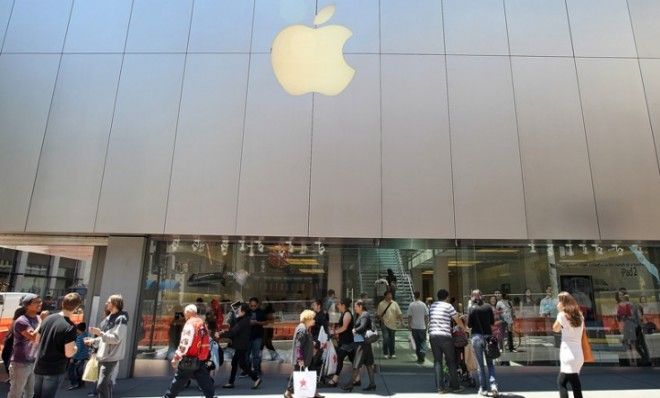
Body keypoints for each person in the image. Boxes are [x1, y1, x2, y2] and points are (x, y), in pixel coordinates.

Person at [33, 292, 81, 398]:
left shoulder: (48, 318)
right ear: (77, 307)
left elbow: (37, 340)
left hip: (39, 364)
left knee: (36, 395)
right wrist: (76, 348)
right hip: (54, 369)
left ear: (62, 303)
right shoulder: (70, 326)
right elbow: (69, 353)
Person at [163, 304, 214, 398]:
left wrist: (176, 357)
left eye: (185, 313)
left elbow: (185, 343)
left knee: (179, 380)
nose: (184, 315)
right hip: (201, 358)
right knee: (205, 381)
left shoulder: (190, 324)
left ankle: (167, 397)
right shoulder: (201, 323)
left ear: (188, 313)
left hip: (189, 359)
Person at [87, 294, 129, 398]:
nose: (107, 303)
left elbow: (116, 338)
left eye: (109, 302)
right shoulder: (108, 318)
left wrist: (100, 333)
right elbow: (105, 338)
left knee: (102, 384)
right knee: (106, 383)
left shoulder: (121, 319)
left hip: (111, 356)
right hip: (103, 355)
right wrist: (93, 340)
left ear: (115, 304)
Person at [429, 289, 465, 393]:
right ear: (447, 297)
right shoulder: (448, 306)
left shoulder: (432, 306)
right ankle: (455, 386)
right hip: (444, 336)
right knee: (451, 361)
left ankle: (440, 388)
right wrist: (464, 329)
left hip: (433, 335)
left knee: (437, 361)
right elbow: (457, 319)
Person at [219, 303, 262, 389]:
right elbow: (234, 330)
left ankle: (256, 378)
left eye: (239, 310)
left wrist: (220, 335)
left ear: (243, 311)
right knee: (235, 363)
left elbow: (233, 331)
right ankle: (231, 382)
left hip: (241, 345)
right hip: (241, 345)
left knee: (242, 364)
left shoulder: (244, 321)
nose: (237, 311)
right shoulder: (243, 319)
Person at [284, 309, 324, 398]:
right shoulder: (302, 329)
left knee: (304, 373)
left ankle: (313, 392)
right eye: (313, 318)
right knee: (297, 374)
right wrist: (300, 358)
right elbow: (299, 345)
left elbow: (304, 342)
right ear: (308, 319)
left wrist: (312, 343)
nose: (314, 320)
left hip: (306, 357)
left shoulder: (305, 328)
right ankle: (288, 392)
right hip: (302, 358)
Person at [7, 294, 41, 398]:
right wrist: (42, 322)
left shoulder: (38, 318)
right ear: (27, 305)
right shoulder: (22, 321)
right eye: (36, 302)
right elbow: (33, 337)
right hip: (20, 363)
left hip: (32, 362)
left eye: (40, 301)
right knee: (16, 393)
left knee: (30, 394)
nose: (40, 304)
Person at [553, 292, 585, 398]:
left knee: (562, 383)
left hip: (568, 354)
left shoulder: (562, 315)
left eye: (559, 301)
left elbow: (555, 328)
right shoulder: (580, 315)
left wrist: (560, 312)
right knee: (571, 382)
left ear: (563, 303)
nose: (557, 303)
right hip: (578, 354)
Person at [468, 289, 498, 397]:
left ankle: (483, 389)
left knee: (480, 365)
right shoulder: (488, 307)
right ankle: (494, 386)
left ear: (473, 297)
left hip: (476, 337)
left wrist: (471, 306)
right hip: (488, 336)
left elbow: (469, 325)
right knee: (490, 364)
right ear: (482, 296)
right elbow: (492, 322)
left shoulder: (472, 308)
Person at [341, 300, 376, 392]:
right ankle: (372, 384)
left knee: (356, 365)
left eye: (356, 306)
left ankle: (350, 384)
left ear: (360, 306)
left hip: (362, 344)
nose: (354, 308)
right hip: (365, 344)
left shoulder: (364, 315)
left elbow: (363, 326)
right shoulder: (363, 314)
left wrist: (355, 330)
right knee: (368, 364)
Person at [328, 298, 356, 387]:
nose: (337, 305)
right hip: (347, 341)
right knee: (353, 360)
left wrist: (334, 332)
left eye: (339, 304)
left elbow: (344, 327)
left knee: (340, 359)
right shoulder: (344, 313)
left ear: (343, 305)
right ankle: (358, 378)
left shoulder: (347, 314)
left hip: (346, 342)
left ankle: (335, 379)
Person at [376, 291, 402, 359]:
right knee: (386, 339)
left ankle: (392, 353)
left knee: (392, 339)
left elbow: (399, 313)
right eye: (388, 295)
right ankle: (385, 353)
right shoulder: (381, 304)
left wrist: (401, 321)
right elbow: (378, 314)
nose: (390, 296)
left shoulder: (394, 303)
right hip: (384, 324)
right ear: (385, 296)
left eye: (391, 295)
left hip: (393, 324)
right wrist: (382, 321)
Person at [407, 291, 429, 364]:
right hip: (422, 327)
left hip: (414, 327)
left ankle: (419, 357)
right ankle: (422, 355)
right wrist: (426, 325)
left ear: (414, 296)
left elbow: (409, 316)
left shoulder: (411, 305)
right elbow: (426, 316)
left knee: (417, 343)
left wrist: (409, 325)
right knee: (423, 342)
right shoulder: (423, 305)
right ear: (420, 295)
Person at [67, 322, 90, 390]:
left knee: (71, 371)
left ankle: (74, 384)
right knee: (79, 371)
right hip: (83, 356)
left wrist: (72, 357)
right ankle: (81, 383)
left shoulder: (80, 337)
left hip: (78, 357)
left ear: (78, 329)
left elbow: (77, 349)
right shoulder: (86, 335)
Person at [247, 297, 266, 375]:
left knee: (256, 354)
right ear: (249, 305)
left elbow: (265, 322)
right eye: (251, 306)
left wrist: (257, 322)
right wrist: (249, 322)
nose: (253, 307)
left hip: (257, 336)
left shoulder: (261, 312)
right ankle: (247, 369)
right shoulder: (246, 312)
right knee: (246, 354)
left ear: (257, 305)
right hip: (247, 336)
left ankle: (256, 369)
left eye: (254, 306)